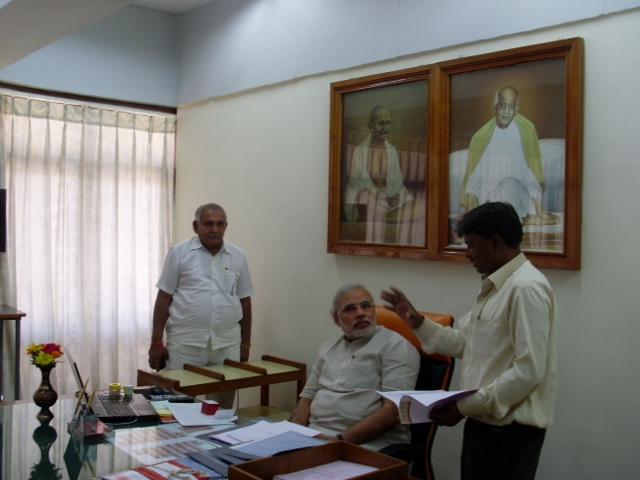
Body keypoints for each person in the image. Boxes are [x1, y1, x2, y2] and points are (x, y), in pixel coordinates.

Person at [381, 202, 558, 480]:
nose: (467, 253)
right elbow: (466, 343)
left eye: (471, 244)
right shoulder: (496, 286)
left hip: (509, 433)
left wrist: (464, 407)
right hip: (484, 424)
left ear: (496, 242)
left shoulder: (525, 288)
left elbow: (528, 372)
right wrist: (417, 322)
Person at [148, 203, 254, 408]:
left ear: (226, 227)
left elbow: (245, 300)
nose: (214, 229)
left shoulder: (237, 255)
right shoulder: (179, 252)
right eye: (208, 224)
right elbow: (164, 298)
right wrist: (156, 343)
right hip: (185, 344)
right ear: (196, 226)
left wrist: (246, 345)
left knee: (222, 409)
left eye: (220, 224)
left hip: (227, 344)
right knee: (179, 405)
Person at [290, 284, 420, 451]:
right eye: (350, 309)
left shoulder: (395, 346)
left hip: (367, 446)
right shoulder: (328, 348)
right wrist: (293, 435)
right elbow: (306, 399)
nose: (360, 313)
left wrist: (339, 441)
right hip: (315, 438)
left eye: (366, 306)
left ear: (375, 311)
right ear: (337, 319)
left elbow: (395, 411)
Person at [459, 86, 559, 226]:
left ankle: (520, 218)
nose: (506, 111)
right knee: (495, 203)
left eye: (511, 106)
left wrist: (539, 209)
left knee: (508, 185)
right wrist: (469, 207)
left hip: (518, 197)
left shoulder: (524, 132)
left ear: (516, 109)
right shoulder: (482, 137)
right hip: (489, 200)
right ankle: (525, 220)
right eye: (503, 105)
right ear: (495, 106)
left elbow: (531, 175)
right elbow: (474, 175)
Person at [343, 105, 424, 244]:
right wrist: (380, 196)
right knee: (364, 195)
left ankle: (382, 217)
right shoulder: (359, 151)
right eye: (381, 124)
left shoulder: (392, 151)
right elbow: (357, 185)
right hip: (367, 202)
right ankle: (390, 217)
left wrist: (395, 196)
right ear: (371, 126)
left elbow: (397, 186)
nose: (386, 128)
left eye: (388, 123)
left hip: (387, 205)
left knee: (421, 206)